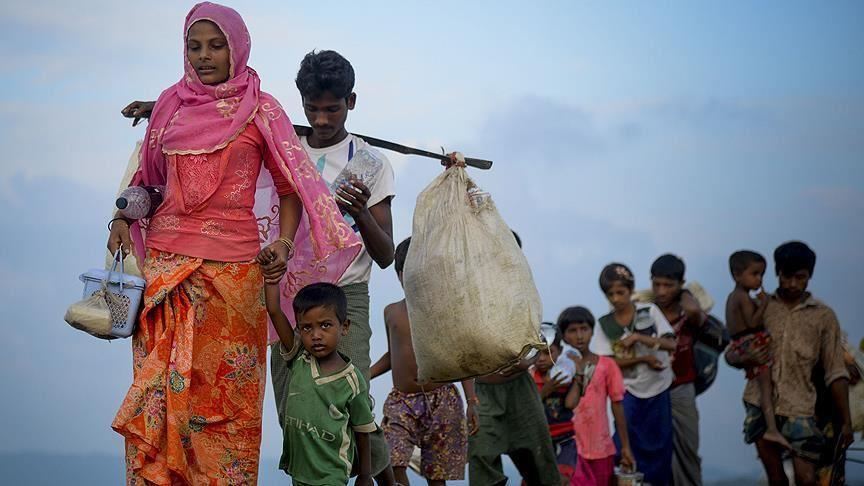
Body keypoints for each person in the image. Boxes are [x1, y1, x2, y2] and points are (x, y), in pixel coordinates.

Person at [109, 3, 360, 484]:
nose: (204, 56)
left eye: (216, 45)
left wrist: (285, 244)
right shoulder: (168, 106)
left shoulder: (263, 109)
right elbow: (150, 185)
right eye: (194, 46)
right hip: (167, 276)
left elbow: (290, 188)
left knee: (226, 405)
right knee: (160, 400)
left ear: (237, 48)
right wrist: (120, 216)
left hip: (235, 283)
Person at [726, 241, 853, 486]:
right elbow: (732, 350)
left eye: (800, 277)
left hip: (801, 407)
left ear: (810, 277)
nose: (793, 284)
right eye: (786, 276)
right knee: (776, 478)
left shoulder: (823, 316)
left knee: (806, 478)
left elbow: (835, 371)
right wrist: (744, 357)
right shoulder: (762, 307)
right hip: (759, 404)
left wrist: (845, 422)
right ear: (777, 273)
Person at [370, 237, 479, 485]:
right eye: (409, 273)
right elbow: (392, 355)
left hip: (441, 398)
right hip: (402, 400)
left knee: (436, 473)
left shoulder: (445, 312)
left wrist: (472, 401)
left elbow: (460, 358)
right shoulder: (391, 312)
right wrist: (365, 375)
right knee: (392, 458)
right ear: (399, 275)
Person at [467, 231, 560, 486]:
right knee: (481, 456)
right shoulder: (467, 294)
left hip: (521, 388)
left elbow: (536, 338)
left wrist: (528, 362)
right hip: (483, 391)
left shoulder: (523, 294)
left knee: (539, 459)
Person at [265, 281, 375, 486]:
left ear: (344, 327)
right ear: (299, 329)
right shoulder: (299, 359)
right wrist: (271, 278)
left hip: (330, 474)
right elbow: (273, 310)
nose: (316, 335)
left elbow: (362, 429)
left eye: (325, 325)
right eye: (307, 328)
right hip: (299, 469)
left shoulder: (351, 380)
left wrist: (366, 474)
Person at [591, 263, 676, 486]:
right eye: (611, 294)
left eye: (621, 292)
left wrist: (640, 339)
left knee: (660, 445)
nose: (616, 298)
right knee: (624, 443)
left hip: (658, 388)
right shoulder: (605, 325)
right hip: (627, 391)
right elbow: (607, 363)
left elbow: (670, 343)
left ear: (631, 290)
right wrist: (643, 358)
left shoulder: (649, 311)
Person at [558, 306, 634, 486]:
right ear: (563, 335)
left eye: (584, 329)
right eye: (572, 330)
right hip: (568, 448)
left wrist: (625, 447)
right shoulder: (559, 367)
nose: (579, 336)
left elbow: (617, 406)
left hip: (601, 447)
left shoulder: (607, 365)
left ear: (592, 331)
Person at [724, 251, 790, 450]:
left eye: (762, 274)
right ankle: (771, 429)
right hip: (751, 343)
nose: (759, 280)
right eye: (755, 274)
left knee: (765, 388)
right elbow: (753, 322)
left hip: (741, 344)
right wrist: (764, 303)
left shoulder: (733, 297)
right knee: (766, 389)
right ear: (737, 275)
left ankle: (771, 428)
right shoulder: (742, 297)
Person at [649, 254, 705, 485]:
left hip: (681, 387)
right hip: (650, 389)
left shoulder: (687, 311)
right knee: (651, 447)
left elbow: (696, 313)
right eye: (656, 284)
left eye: (668, 285)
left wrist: (685, 295)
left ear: (680, 284)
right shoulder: (646, 311)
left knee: (687, 450)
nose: (661, 291)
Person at [531, 326, 578, 483]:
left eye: (549, 352)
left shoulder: (564, 376)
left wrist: (579, 377)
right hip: (538, 443)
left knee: (563, 479)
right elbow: (527, 408)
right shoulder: (529, 378)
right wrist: (546, 390)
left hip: (564, 440)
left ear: (560, 350)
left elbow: (571, 404)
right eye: (537, 352)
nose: (542, 358)